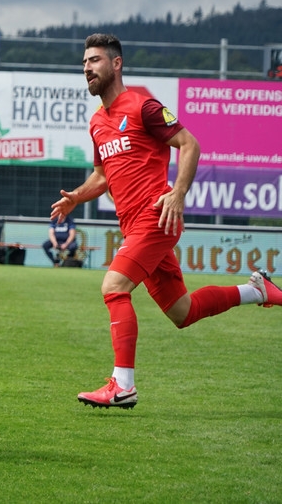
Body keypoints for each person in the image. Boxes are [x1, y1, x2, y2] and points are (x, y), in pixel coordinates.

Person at [51, 33, 281, 410]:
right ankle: (256, 291)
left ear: (116, 63)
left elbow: (190, 144)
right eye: (84, 63)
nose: (87, 68)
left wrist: (178, 193)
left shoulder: (143, 106)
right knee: (182, 311)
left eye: (94, 60)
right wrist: (78, 196)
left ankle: (122, 384)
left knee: (113, 286)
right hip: (134, 226)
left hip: (155, 219)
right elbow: (102, 176)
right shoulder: (97, 122)